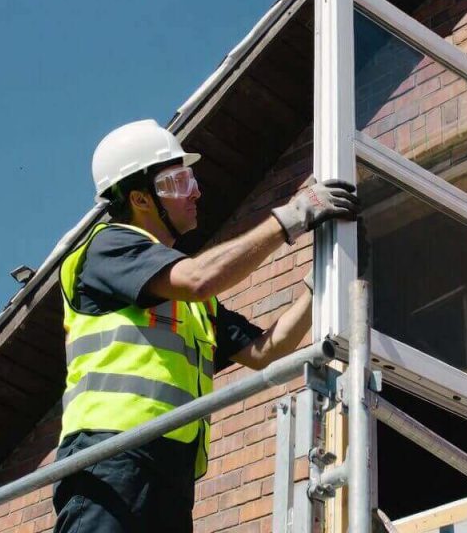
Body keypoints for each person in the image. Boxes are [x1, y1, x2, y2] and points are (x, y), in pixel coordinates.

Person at [53, 119, 359, 533]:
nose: (195, 191)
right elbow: (199, 278)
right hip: (110, 460)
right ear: (141, 198)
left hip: (171, 476)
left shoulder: (194, 305)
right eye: (178, 182)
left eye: (190, 178)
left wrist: (320, 281)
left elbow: (266, 350)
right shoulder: (108, 246)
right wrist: (294, 215)